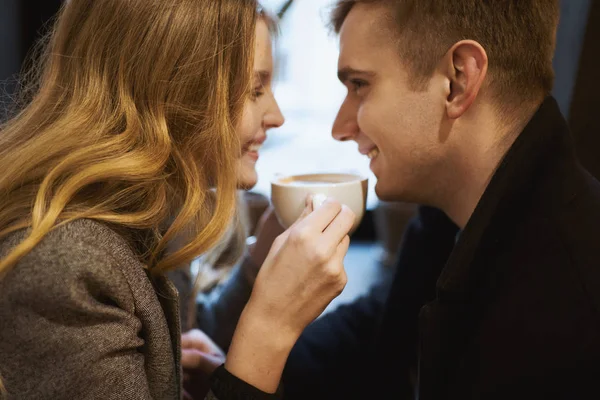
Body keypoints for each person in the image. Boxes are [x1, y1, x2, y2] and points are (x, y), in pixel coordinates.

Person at [0, 1, 355, 399]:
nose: (277, 116)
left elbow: (174, 329)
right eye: (255, 90)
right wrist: (271, 327)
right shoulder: (68, 263)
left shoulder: (144, 215)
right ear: (171, 93)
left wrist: (260, 264)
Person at [281, 0, 600, 399]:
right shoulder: (450, 219)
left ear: (458, 81)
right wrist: (257, 361)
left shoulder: (564, 307)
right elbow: (387, 330)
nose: (339, 128)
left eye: (360, 85)